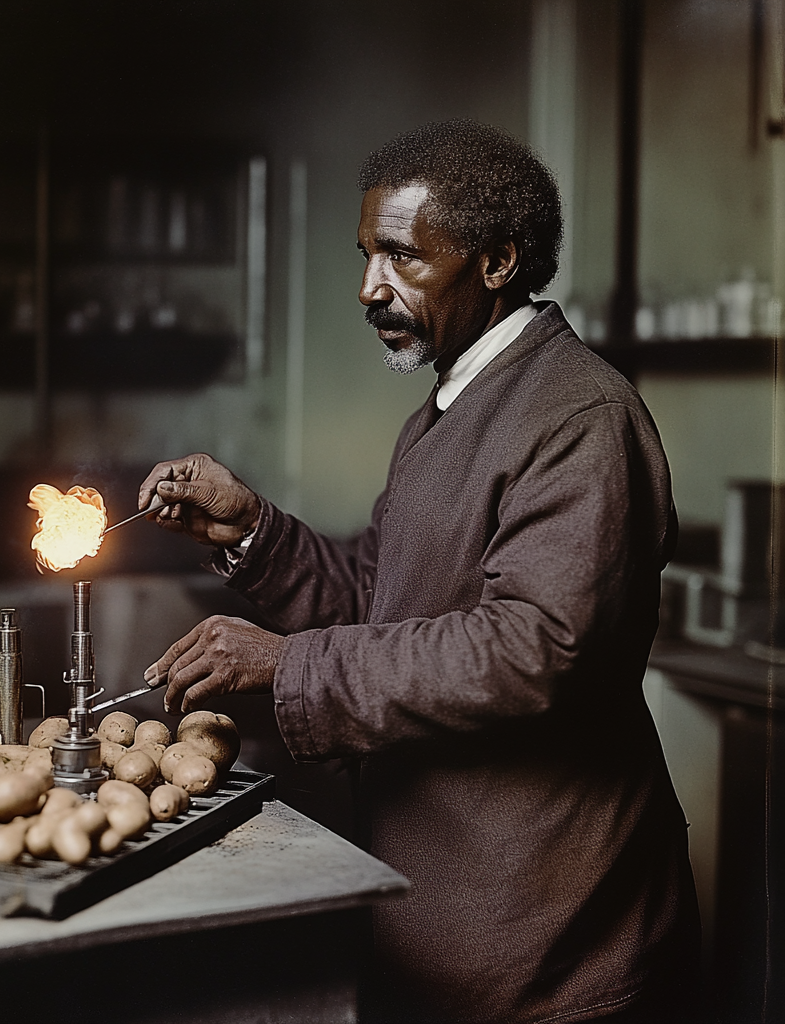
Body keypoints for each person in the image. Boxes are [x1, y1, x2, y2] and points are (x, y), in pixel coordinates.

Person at [136, 120, 700, 1023]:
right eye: (366, 256)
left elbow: (532, 649)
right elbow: (382, 598)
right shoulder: (447, 407)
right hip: (433, 928)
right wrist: (253, 530)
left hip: (553, 945)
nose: (369, 289)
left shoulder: (581, 415)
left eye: (401, 257)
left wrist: (289, 665)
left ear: (499, 260)